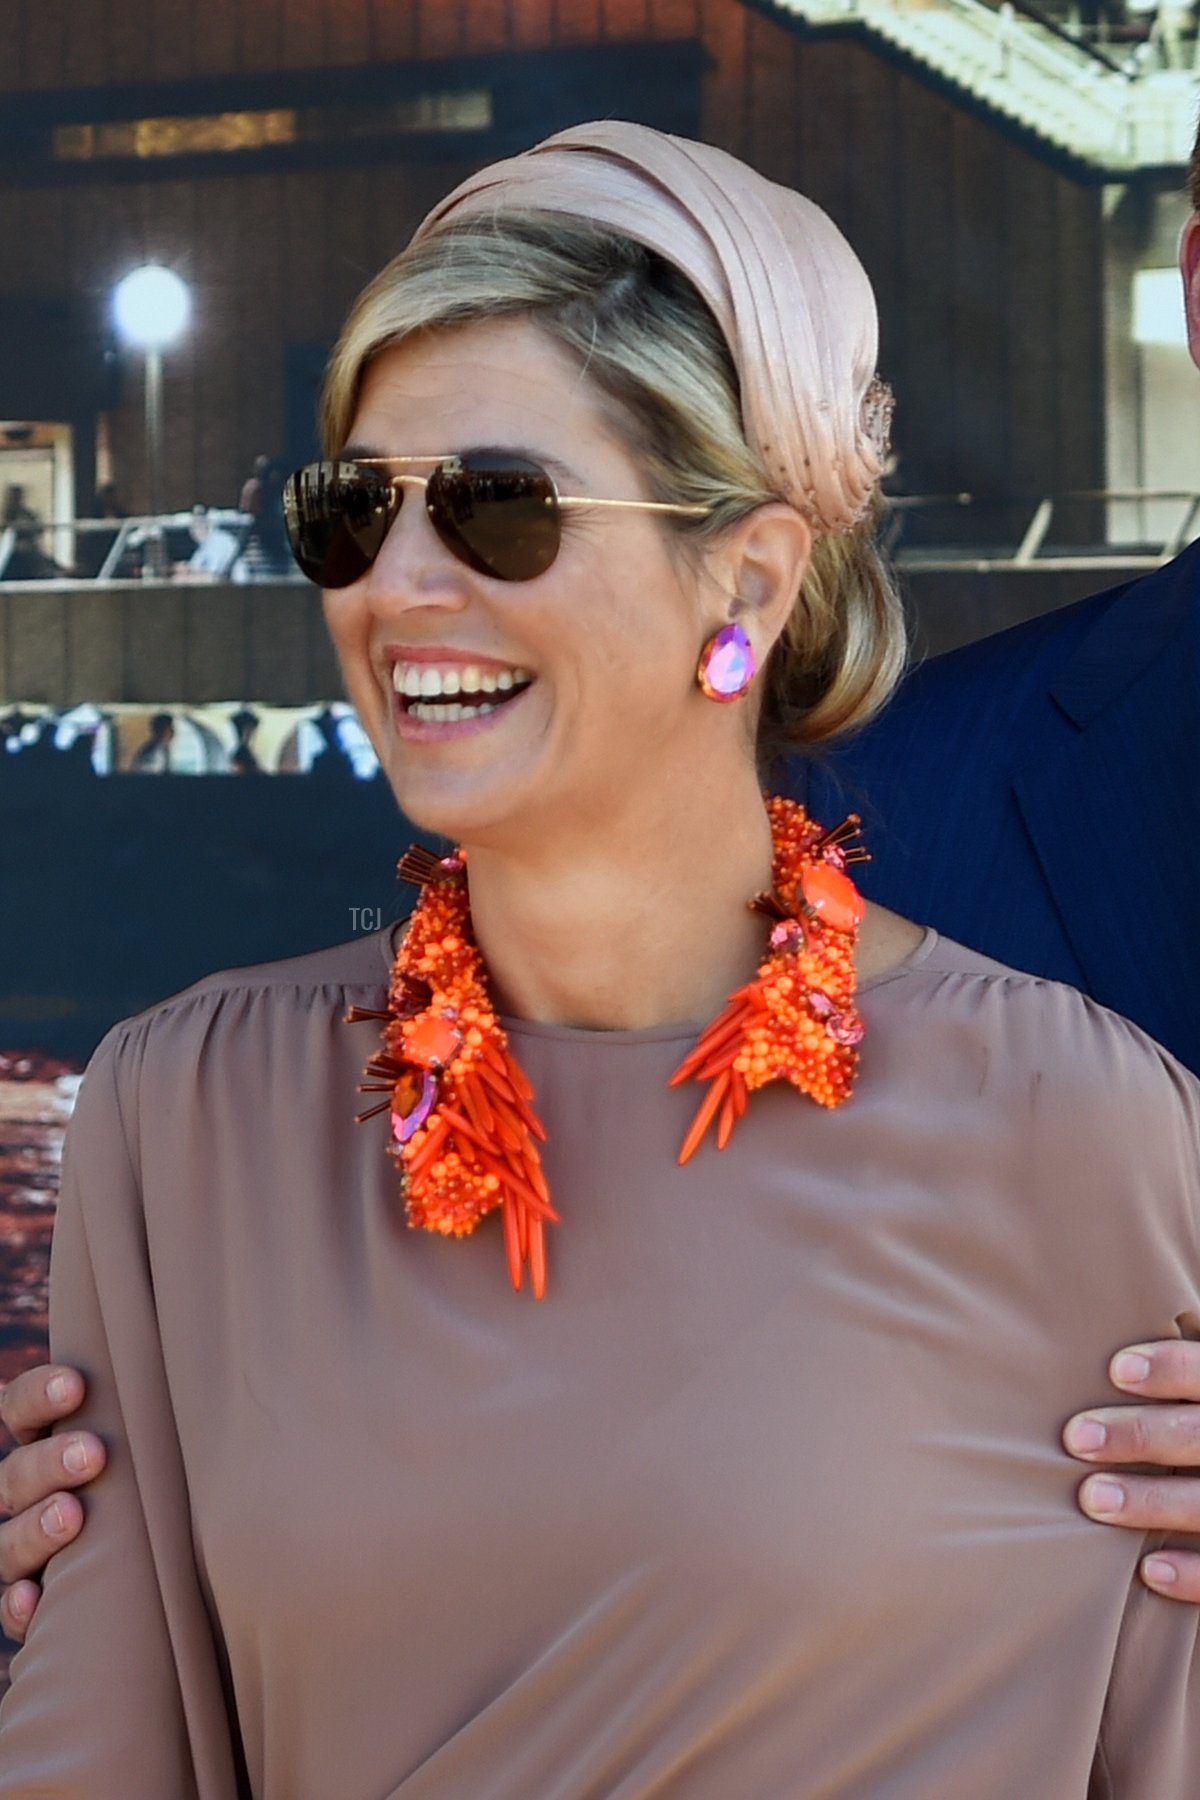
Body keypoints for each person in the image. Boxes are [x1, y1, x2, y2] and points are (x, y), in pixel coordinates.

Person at [1, 125, 1199, 1795]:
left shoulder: (1087, 1122)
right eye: (354, 510)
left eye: (500, 509)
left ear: (752, 578)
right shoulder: (186, 1114)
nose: (399, 587)